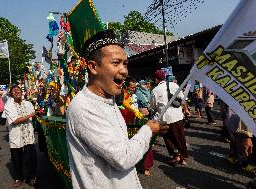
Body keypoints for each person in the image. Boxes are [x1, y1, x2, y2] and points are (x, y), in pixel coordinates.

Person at [66, 29, 168, 189]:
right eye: (116, 63)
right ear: (93, 67)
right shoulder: (83, 107)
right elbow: (123, 158)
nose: (124, 71)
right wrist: (148, 129)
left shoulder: (109, 100)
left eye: (125, 64)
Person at [150, 70, 188, 165]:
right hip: (177, 116)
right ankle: (183, 158)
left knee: (168, 138)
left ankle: (176, 156)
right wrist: (186, 110)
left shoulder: (155, 90)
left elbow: (153, 107)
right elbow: (183, 100)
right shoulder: (174, 85)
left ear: (156, 79)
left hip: (164, 119)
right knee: (180, 136)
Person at [4, 85, 37, 187]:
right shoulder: (8, 106)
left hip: (28, 135)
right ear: (11, 94)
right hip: (16, 136)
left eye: (18, 90)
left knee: (31, 158)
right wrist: (30, 115)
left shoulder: (28, 103)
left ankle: (30, 177)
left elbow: (34, 114)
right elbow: (15, 121)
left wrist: (35, 113)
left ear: (21, 92)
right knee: (16, 159)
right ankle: (18, 178)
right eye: (14, 91)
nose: (17, 91)